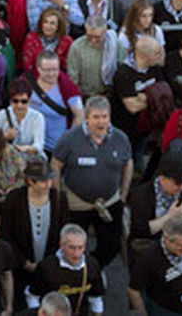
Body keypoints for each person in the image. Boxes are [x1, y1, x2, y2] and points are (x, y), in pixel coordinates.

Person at [52, 96, 131, 269]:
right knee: (71, 245)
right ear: (86, 118)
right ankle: (75, 273)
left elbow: (128, 163)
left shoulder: (121, 138)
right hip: (77, 203)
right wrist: (58, 195)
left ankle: (92, 270)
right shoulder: (70, 138)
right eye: (96, 117)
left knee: (111, 246)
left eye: (104, 116)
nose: (101, 122)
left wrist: (123, 194)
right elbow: (56, 165)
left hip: (109, 201)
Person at [127, 217, 182, 316]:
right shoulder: (149, 258)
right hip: (164, 311)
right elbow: (133, 290)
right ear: (166, 239)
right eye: (180, 246)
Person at [26, 223, 105, 316]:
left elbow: (95, 297)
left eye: (81, 247)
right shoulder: (47, 267)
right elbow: (33, 296)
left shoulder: (92, 265)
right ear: (61, 245)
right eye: (72, 247)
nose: (77, 253)